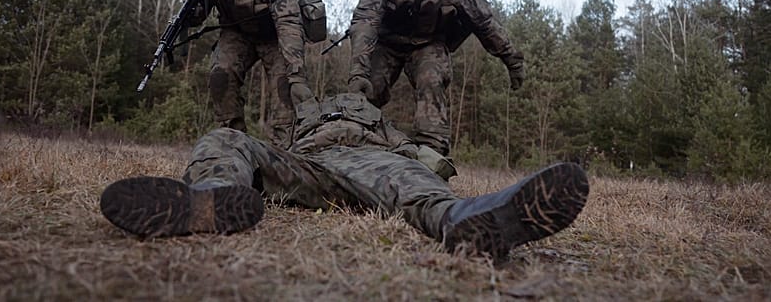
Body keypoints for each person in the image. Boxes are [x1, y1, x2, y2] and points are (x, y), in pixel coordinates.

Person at [100, 94, 588, 264]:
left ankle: (468, 220)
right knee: (226, 137)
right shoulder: (301, 119)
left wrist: (415, 155)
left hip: (369, 161)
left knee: (405, 178)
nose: (343, 102)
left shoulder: (378, 124)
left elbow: (420, 157)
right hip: (310, 167)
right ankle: (208, 199)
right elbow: (276, 145)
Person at [348, 0, 524, 156]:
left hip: (427, 45)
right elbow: (364, 23)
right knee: (367, 90)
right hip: (387, 44)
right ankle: (354, 146)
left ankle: (432, 155)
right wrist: (358, 72)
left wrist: (512, 61)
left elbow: (485, 23)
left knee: (431, 79)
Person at [191, 0, 313, 147]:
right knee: (221, 74)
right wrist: (188, 15)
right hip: (237, 34)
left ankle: (283, 151)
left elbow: (288, 21)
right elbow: (198, 15)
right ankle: (232, 144)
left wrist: (296, 71)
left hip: (274, 36)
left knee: (285, 86)